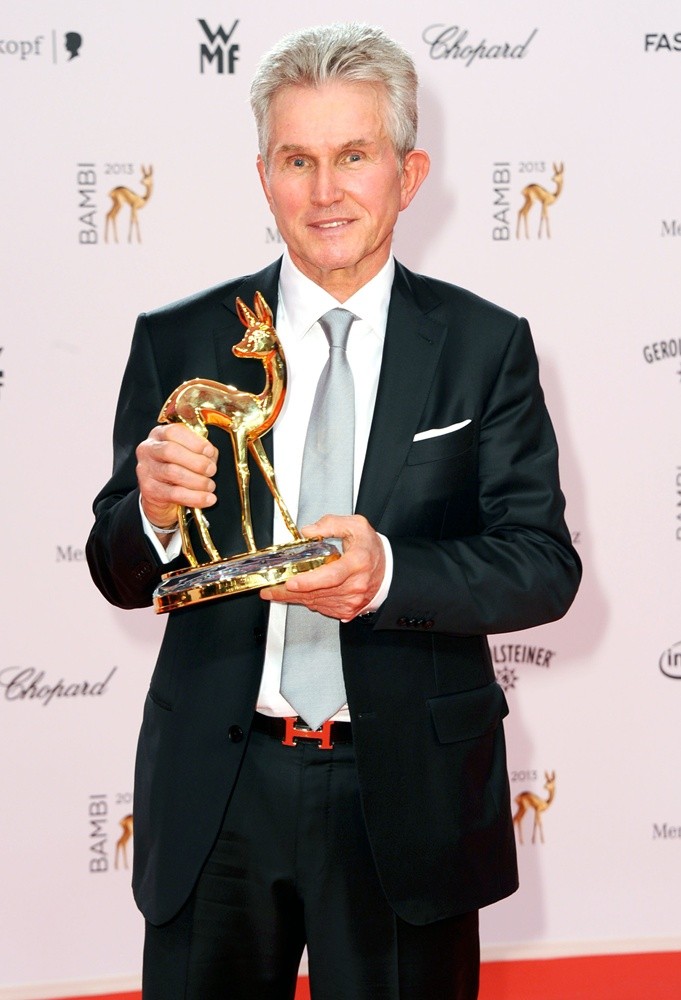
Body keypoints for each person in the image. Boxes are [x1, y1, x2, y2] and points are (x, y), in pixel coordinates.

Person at [86, 22, 581, 1000]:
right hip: (217, 792)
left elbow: (542, 565)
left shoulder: (486, 347)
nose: (325, 192)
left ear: (409, 171)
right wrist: (147, 510)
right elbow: (116, 566)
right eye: (297, 160)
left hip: (405, 799)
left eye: (354, 156)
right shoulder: (181, 339)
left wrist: (389, 574)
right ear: (262, 174)